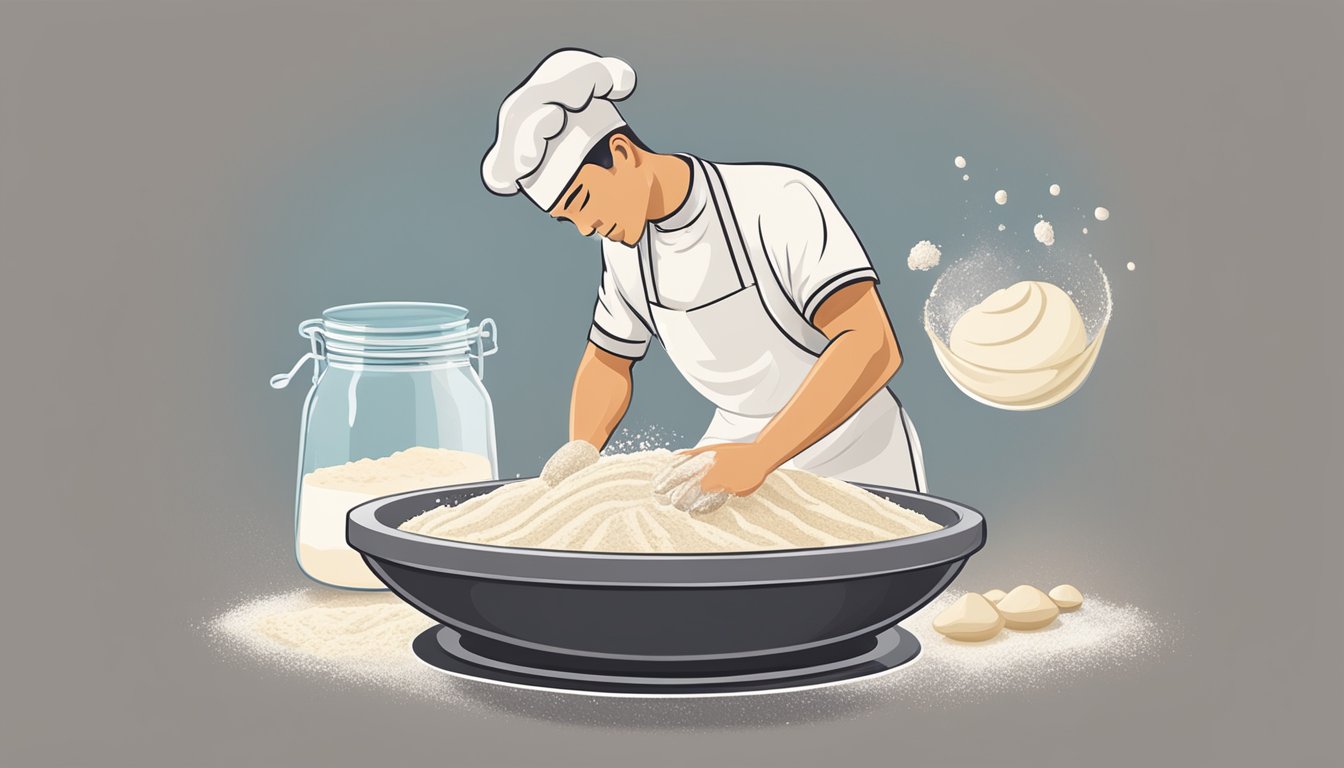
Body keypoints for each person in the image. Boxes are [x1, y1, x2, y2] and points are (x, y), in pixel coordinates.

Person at [482, 49, 926, 499]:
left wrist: (761, 457)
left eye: (581, 201)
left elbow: (870, 342)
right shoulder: (625, 252)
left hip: (855, 457)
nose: (585, 228)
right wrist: (581, 449)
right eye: (566, 219)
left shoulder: (777, 201)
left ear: (621, 153)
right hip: (730, 458)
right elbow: (608, 361)